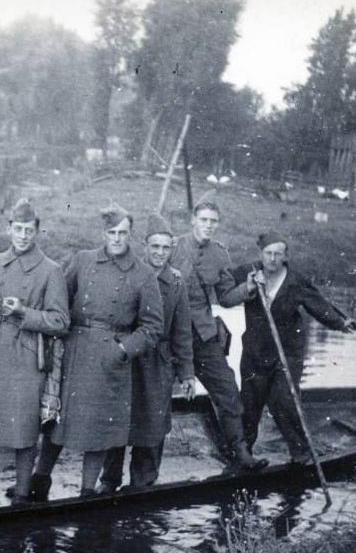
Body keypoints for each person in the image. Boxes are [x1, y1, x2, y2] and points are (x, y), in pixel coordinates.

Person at [29, 205, 164, 498]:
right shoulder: (83, 260)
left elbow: (153, 328)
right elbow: (59, 297)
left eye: (123, 233)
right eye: (111, 233)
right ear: (103, 234)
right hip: (75, 350)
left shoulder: (143, 274)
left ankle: (87, 491)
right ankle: (40, 480)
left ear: (131, 235)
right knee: (58, 418)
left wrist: (122, 350)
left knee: (99, 428)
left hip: (110, 358)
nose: (116, 239)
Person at [0, 199, 70, 503]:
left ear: (37, 231)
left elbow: (61, 321)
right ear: (9, 228)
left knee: (24, 427)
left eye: (29, 230)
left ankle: (22, 492)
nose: (23, 236)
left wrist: (26, 313)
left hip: (27, 358)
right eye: (18, 229)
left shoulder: (51, 270)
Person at [230, 232, 352, 462]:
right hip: (254, 352)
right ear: (261, 254)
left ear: (285, 257)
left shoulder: (295, 281)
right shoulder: (248, 272)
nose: (273, 259)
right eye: (268, 253)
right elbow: (222, 283)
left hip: (287, 354)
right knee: (249, 404)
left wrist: (339, 322)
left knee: (283, 401)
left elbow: (319, 306)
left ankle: (300, 451)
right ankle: (243, 455)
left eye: (278, 254)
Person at [169, 201, 267, 471]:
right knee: (155, 398)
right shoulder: (172, 247)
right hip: (168, 338)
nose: (208, 225)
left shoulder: (220, 254)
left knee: (228, 392)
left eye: (213, 221)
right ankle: (142, 471)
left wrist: (247, 288)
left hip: (204, 336)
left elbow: (225, 297)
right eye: (204, 219)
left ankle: (240, 452)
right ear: (192, 220)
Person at [100, 214, 194, 491]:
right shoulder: (130, 273)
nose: (160, 253)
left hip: (158, 363)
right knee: (118, 416)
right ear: (145, 246)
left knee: (153, 420)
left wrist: (187, 373)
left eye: (165, 248)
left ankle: (143, 481)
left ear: (172, 249)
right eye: (155, 247)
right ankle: (109, 480)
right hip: (127, 357)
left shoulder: (176, 283)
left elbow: (182, 332)